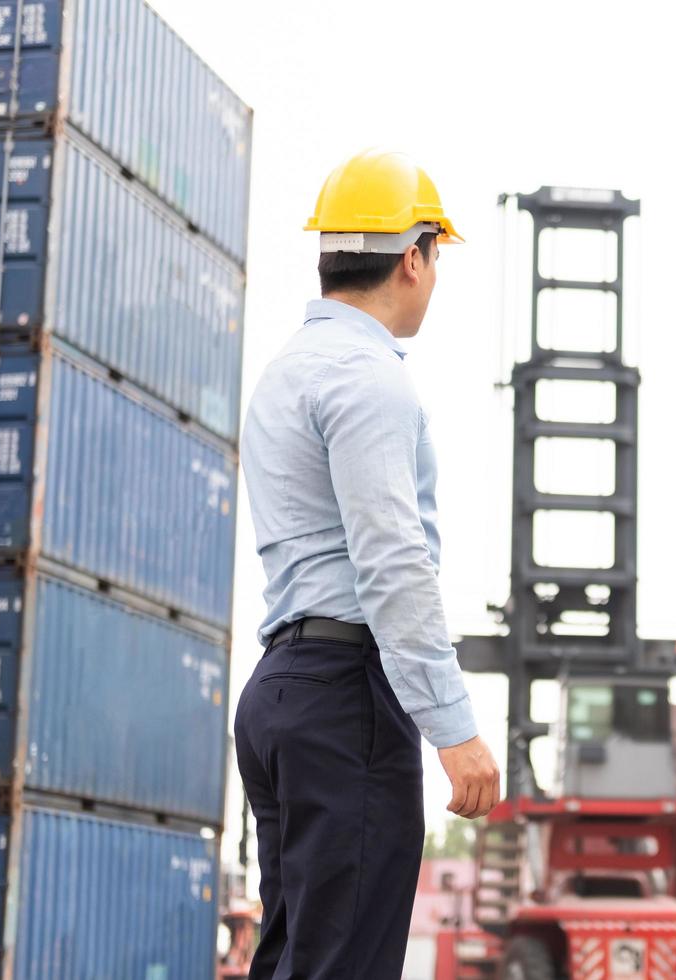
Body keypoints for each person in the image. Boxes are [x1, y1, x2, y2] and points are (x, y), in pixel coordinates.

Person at [235, 149, 501, 979]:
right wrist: (452, 729)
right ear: (414, 256)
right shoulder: (370, 380)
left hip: (278, 691)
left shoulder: (283, 376)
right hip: (345, 701)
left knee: (292, 959)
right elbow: (393, 567)